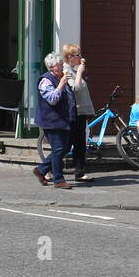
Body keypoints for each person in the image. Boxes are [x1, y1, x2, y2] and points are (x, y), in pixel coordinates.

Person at [32, 52, 75, 189]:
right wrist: (61, 85)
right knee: (58, 148)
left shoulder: (61, 77)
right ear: (51, 67)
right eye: (59, 65)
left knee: (65, 147)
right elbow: (52, 99)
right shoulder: (46, 80)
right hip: (51, 121)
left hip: (63, 119)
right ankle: (58, 180)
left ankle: (41, 170)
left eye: (62, 64)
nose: (62, 67)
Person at [61, 43, 95, 181]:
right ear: (70, 57)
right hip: (73, 112)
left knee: (80, 144)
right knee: (67, 144)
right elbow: (76, 89)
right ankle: (45, 168)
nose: (80, 57)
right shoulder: (66, 72)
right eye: (77, 55)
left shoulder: (73, 71)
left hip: (81, 112)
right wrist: (80, 72)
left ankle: (80, 172)